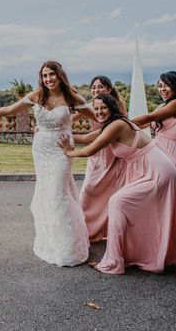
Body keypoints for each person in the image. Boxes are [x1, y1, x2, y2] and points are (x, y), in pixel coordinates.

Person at [0, 61, 93, 267]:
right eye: (44, 76)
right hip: (40, 149)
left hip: (61, 150)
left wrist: (83, 135)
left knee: (59, 192)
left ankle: (69, 246)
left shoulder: (73, 98)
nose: (48, 79)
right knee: (46, 192)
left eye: (51, 75)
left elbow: (100, 118)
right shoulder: (36, 96)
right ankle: (50, 242)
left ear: (60, 75)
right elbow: (7, 110)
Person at [60, 93, 176, 274]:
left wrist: (68, 152)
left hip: (158, 171)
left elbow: (90, 150)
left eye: (103, 108)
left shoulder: (117, 125)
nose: (99, 111)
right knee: (135, 209)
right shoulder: (113, 125)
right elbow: (87, 138)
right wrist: (62, 135)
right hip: (153, 169)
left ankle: (116, 257)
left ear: (112, 108)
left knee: (118, 201)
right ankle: (138, 252)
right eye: (96, 108)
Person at [131, 71, 176, 260]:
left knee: (174, 201)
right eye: (160, 85)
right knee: (158, 200)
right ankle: (159, 245)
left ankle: (175, 250)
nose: (162, 89)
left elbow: (145, 119)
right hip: (159, 151)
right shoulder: (164, 105)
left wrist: (120, 125)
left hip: (172, 152)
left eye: (166, 85)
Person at [74, 75, 127, 242]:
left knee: (111, 193)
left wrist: (80, 140)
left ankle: (107, 230)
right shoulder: (91, 106)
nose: (96, 90)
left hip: (112, 152)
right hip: (97, 154)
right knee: (88, 191)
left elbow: (118, 126)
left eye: (100, 87)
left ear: (109, 89)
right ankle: (85, 231)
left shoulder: (118, 105)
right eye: (94, 87)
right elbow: (70, 118)